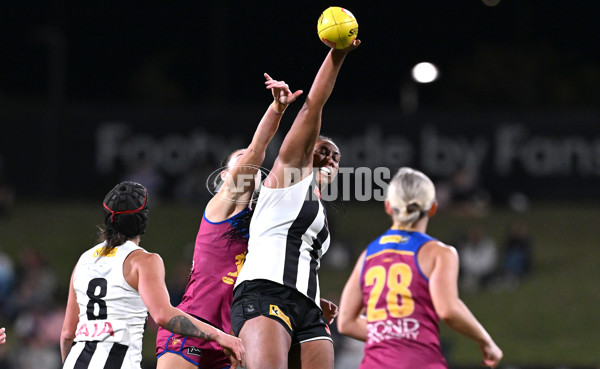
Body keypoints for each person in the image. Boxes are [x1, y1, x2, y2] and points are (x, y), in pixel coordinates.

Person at [156, 74, 303, 369]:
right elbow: (258, 148)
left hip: (232, 337)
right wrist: (277, 110)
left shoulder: (261, 225)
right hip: (193, 327)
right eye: (241, 159)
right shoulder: (222, 207)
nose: (250, 163)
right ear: (225, 177)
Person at [230, 38, 360, 369]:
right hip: (264, 294)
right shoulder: (286, 176)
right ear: (303, 149)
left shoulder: (316, 206)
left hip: (309, 307)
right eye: (322, 148)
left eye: (336, 155)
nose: (330, 156)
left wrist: (314, 298)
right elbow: (312, 105)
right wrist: (337, 55)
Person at [60, 181, 244, 369]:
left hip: (75, 361)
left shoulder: (83, 261)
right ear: (143, 220)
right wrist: (218, 335)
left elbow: (67, 333)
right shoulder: (143, 260)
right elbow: (163, 315)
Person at [337, 167, 503, 369]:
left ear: (388, 206)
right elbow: (448, 310)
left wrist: (389, 333)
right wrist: (486, 341)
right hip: (420, 362)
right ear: (433, 208)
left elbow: (345, 322)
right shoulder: (439, 253)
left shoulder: (368, 254)